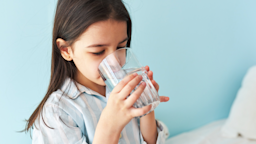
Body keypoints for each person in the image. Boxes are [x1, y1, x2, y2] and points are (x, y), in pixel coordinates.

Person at [23, 0, 169, 143]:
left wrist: (146, 107)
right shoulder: (57, 113)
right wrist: (110, 125)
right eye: (98, 52)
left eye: (121, 47)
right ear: (66, 50)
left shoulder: (126, 88)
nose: (115, 63)